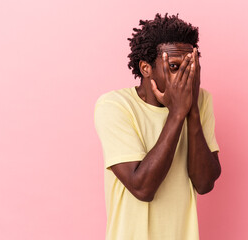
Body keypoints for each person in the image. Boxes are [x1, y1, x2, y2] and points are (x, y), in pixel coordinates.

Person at [94, 13, 221, 240]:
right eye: (174, 66)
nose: (185, 77)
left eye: (190, 67)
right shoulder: (114, 106)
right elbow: (142, 188)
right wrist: (177, 113)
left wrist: (192, 111)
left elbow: (204, 183)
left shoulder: (201, 101)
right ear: (145, 68)